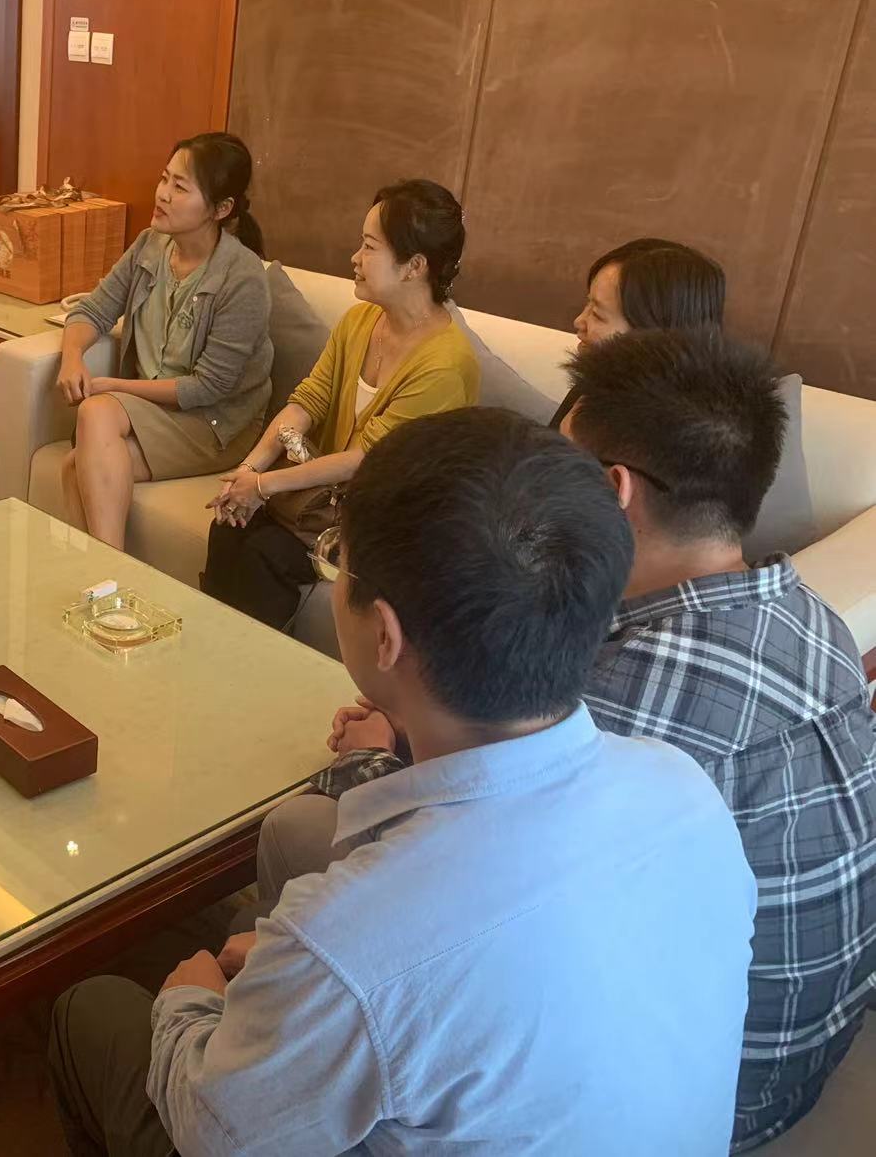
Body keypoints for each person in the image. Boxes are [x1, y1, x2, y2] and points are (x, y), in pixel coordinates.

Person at [48, 407, 757, 1156]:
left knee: (93, 1009)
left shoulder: (354, 939)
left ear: (384, 635)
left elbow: (212, 1128)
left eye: (337, 560)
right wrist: (311, 985)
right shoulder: (686, 794)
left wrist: (189, 1002)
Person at [283, 331, 875, 1153]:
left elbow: (443, 871)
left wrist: (379, 754)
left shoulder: (624, 694)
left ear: (608, 491)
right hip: (816, 1033)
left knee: (304, 833)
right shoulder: (811, 616)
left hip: (710, 1083)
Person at [201, 179, 479, 629]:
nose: (355, 258)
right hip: (323, 501)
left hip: (382, 522)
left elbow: (366, 460)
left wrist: (265, 486)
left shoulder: (445, 364)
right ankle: (205, 649)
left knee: (265, 554)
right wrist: (250, 471)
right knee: (229, 523)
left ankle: (246, 662)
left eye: (369, 247)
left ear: (414, 266)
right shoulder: (360, 320)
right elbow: (308, 400)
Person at [55, 133, 274, 551]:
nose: (163, 194)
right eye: (164, 179)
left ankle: (108, 572)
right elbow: (93, 311)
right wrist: (72, 357)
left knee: (96, 413)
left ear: (222, 208)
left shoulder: (243, 277)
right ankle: (106, 583)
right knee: (73, 467)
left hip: (215, 424)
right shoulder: (149, 246)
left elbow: (207, 387)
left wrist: (112, 386)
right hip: (155, 411)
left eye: (180, 187)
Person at [550, 236, 724, 426]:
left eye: (598, 315)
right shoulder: (600, 380)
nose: (579, 321)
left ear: (651, 335)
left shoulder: (675, 430)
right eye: (588, 303)